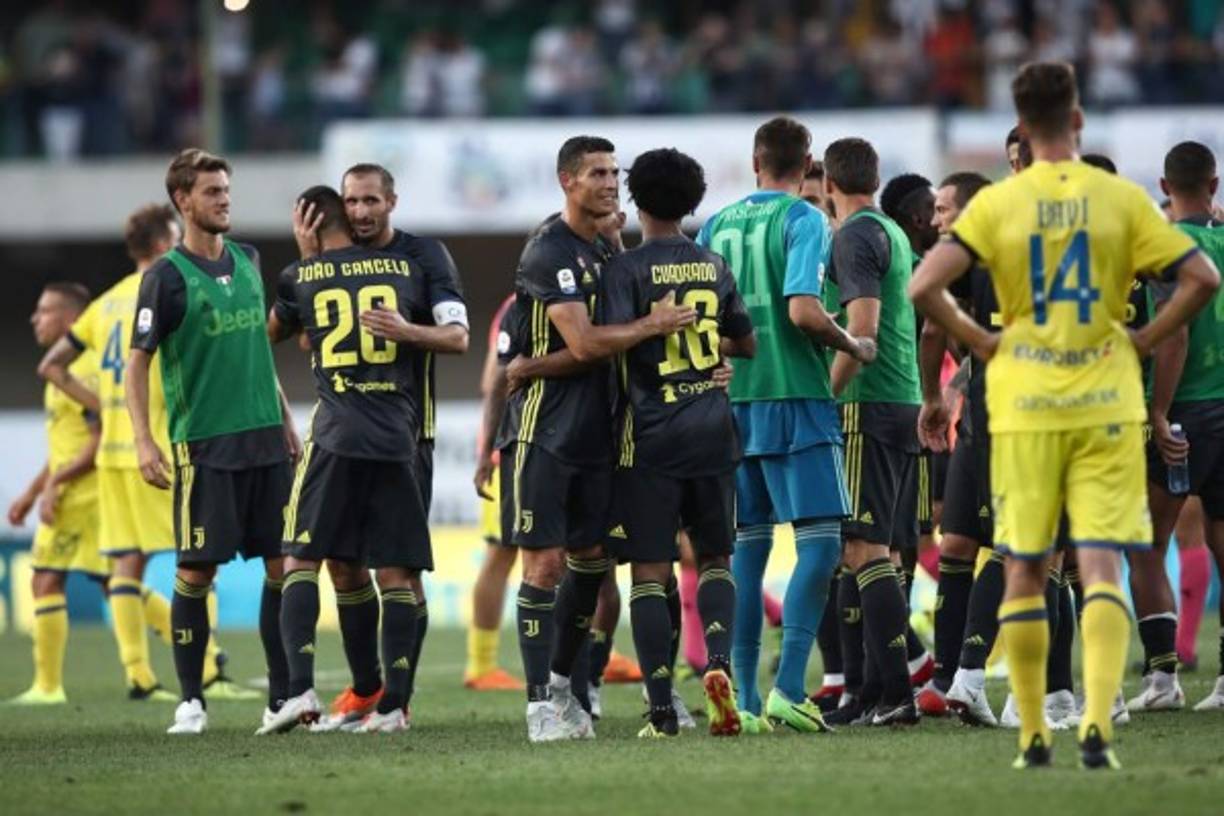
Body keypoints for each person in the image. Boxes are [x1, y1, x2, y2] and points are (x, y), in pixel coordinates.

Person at [910, 61, 1219, 769]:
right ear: (1078, 121)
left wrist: (986, 341)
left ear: (1019, 122)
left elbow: (926, 286)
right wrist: (1138, 339)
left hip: (1022, 402)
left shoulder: (999, 205)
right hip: (1107, 398)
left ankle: (1032, 737)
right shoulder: (1118, 199)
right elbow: (1202, 277)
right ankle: (1097, 730)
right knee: (1099, 562)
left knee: (1024, 564)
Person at [504, 135, 694, 742]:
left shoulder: (607, 252)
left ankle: (568, 688)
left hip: (606, 433)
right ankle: (540, 707)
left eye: (615, 172)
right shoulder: (549, 251)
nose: (611, 182)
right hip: (547, 430)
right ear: (567, 181)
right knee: (544, 565)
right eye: (596, 173)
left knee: (592, 563)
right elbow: (585, 345)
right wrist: (651, 324)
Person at [698, 116, 875, 734]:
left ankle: (746, 700)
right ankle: (790, 688)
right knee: (822, 543)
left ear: (754, 161)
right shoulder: (804, 220)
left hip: (734, 404)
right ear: (807, 165)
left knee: (747, 549)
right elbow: (802, 310)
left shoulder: (718, 225)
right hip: (796, 395)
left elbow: (711, 319)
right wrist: (850, 341)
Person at [38, 204, 247, 702]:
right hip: (162, 446)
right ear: (161, 244)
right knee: (200, 556)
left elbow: (52, 366)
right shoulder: (170, 286)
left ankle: (139, 676)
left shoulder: (104, 303)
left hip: (114, 453)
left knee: (124, 566)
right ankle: (210, 674)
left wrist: (105, 409)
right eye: (176, 236)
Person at [127, 148, 299, 735]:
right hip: (205, 446)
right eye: (212, 192)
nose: (224, 199)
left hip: (266, 441)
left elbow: (257, 348)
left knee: (283, 566)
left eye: (227, 190)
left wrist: (285, 417)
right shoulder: (165, 279)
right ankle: (191, 700)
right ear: (183, 201)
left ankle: (282, 696)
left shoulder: (250, 259)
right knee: (197, 573)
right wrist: (145, 442)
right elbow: (136, 365)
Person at [293, 163, 469, 728]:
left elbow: (458, 337)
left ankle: (399, 699)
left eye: (371, 200)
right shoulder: (333, 264)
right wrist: (314, 266)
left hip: (406, 434)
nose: (362, 211)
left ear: (392, 201)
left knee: (400, 570)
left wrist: (407, 331)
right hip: (348, 430)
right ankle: (367, 691)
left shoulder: (425, 257)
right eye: (352, 202)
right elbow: (304, 339)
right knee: (343, 566)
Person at [260, 185, 434, 735]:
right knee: (397, 574)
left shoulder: (298, 277)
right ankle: (391, 707)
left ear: (307, 218)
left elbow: (279, 337)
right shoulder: (406, 270)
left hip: (335, 433)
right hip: (397, 436)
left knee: (300, 559)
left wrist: (307, 261)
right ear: (346, 213)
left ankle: (297, 690)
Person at [600, 147, 756, 738]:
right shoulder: (712, 265)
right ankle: (719, 666)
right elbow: (746, 344)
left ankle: (662, 707)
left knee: (650, 572)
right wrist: (715, 356)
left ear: (635, 200)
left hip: (651, 434)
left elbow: (608, 341)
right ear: (694, 202)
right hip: (713, 429)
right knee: (716, 557)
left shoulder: (626, 269)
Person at [821, 138, 923, 728]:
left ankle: (895, 695)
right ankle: (866, 692)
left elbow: (863, 333)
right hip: (901, 399)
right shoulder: (892, 230)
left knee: (864, 550)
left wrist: (824, 396)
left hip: (869, 402)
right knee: (862, 552)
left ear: (830, 184)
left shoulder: (854, 235)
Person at [1135, 141, 1224, 713]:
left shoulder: (1166, 248)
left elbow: (1176, 333)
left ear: (1165, 188)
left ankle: (1163, 680)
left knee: (1145, 543)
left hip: (1185, 408)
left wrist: (1159, 411)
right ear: (1214, 187)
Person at [912, 171, 997, 722]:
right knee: (1020, 550)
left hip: (983, 417)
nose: (937, 219)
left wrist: (936, 395)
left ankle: (949, 677)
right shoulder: (1003, 254)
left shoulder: (973, 258)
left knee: (960, 545)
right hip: (1014, 415)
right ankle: (963, 675)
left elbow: (932, 328)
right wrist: (948, 391)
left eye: (944, 209)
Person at [5, 283, 103, 704]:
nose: (34, 319)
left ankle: (47, 687)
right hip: (73, 492)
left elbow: (98, 441)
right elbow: (64, 448)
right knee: (118, 584)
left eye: (44, 311)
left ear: (69, 320)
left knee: (46, 578)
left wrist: (55, 488)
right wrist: (31, 491)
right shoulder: (59, 373)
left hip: (80, 496)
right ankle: (208, 663)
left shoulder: (80, 371)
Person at [465, 292, 526, 691]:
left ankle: (599, 652)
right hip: (512, 446)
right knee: (501, 553)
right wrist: (489, 449)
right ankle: (481, 664)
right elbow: (494, 379)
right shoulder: (520, 305)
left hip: (535, 446)